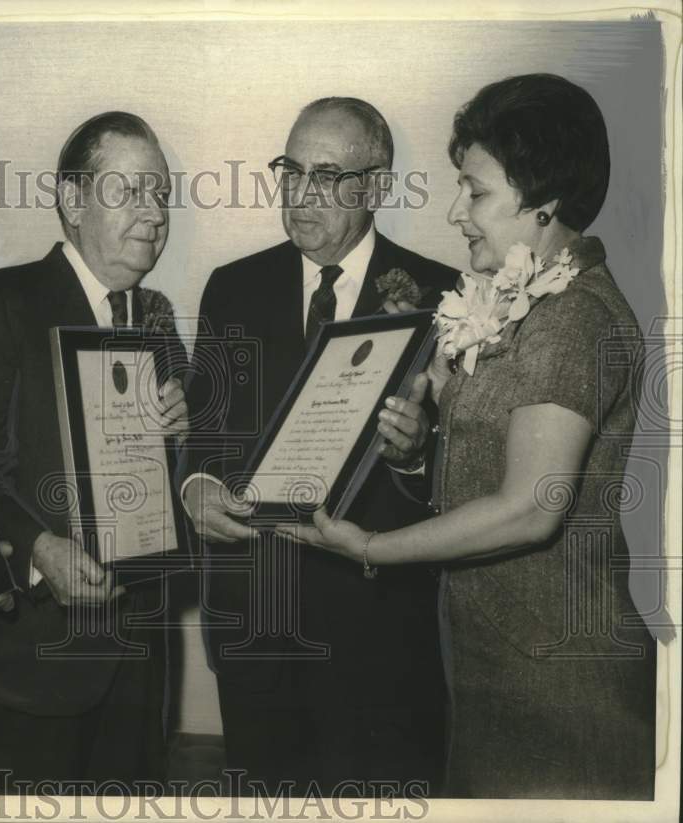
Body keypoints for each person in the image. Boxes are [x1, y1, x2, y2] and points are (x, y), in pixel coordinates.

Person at [280, 74, 657, 800]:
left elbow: (528, 507)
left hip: (558, 687)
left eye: (475, 192)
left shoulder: (572, 317)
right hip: (502, 672)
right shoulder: (527, 305)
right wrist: (424, 443)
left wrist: (368, 547)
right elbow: (491, 462)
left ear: (543, 205)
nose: (456, 212)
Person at [183, 97, 458, 795]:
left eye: (327, 175)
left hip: (382, 636)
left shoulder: (443, 293)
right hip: (254, 627)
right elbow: (202, 436)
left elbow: (473, 472)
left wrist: (419, 451)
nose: (300, 195)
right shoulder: (232, 287)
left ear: (377, 187)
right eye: (291, 170)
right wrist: (196, 489)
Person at [0, 111, 188, 788]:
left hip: (138, 659)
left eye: (161, 194)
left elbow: (168, 494)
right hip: (28, 663)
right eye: (130, 191)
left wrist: (184, 440)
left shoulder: (159, 324)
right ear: (73, 201)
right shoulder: (1, 300)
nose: (154, 213)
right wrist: (35, 549)